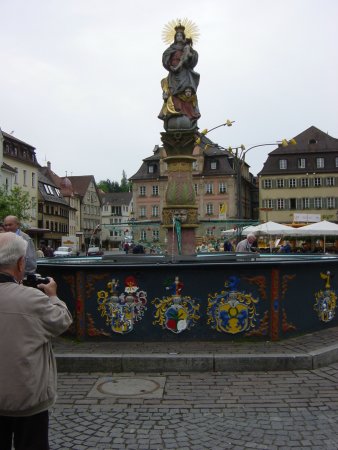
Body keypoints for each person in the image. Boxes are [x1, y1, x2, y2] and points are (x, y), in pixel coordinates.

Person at [0, 232, 73, 450]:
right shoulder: (32, 299)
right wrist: (53, 296)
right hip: (27, 398)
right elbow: (62, 321)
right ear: (21, 263)